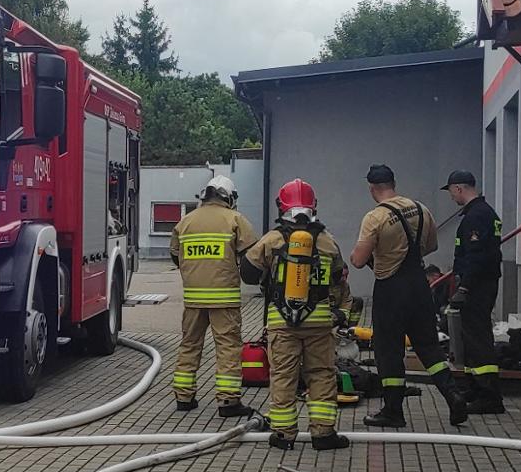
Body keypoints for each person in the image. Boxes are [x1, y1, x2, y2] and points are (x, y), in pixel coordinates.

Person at [352, 164, 467, 428]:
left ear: (372, 189)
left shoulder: (375, 217)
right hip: (419, 285)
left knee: (389, 350)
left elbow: (358, 260)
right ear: (394, 183)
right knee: (428, 346)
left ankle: (393, 411)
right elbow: (432, 245)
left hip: (390, 290)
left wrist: (382, 255)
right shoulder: (421, 209)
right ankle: (454, 395)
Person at [242, 180, 351, 451]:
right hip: (319, 321)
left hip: (282, 321)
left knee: (283, 376)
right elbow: (339, 277)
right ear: (314, 206)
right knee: (322, 375)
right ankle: (323, 434)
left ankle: (283, 435)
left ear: (282, 206)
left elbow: (248, 273)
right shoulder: (327, 240)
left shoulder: (273, 239)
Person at [169, 175, 259, 414]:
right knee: (228, 348)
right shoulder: (235, 219)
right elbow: (253, 259)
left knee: (189, 345)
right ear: (229, 196)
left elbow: (174, 255)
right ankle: (228, 401)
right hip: (224, 299)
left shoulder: (185, 222)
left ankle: (184, 398)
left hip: (193, 300)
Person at [443, 170, 507, 414]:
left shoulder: (477, 216)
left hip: (478, 285)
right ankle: (475, 388)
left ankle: (489, 395)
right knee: (470, 337)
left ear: (459, 188)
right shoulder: (482, 213)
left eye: (451, 191)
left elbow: (477, 256)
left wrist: (464, 286)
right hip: (480, 283)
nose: (451, 197)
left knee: (478, 339)